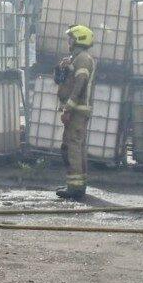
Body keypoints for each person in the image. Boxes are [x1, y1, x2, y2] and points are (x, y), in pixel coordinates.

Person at [54, 24, 97, 200]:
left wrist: (68, 108)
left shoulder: (83, 59)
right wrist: (62, 68)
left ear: (78, 38)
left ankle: (76, 189)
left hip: (77, 112)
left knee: (73, 148)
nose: (68, 41)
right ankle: (74, 185)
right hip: (75, 111)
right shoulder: (76, 58)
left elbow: (80, 84)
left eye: (71, 38)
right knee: (70, 148)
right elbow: (62, 81)